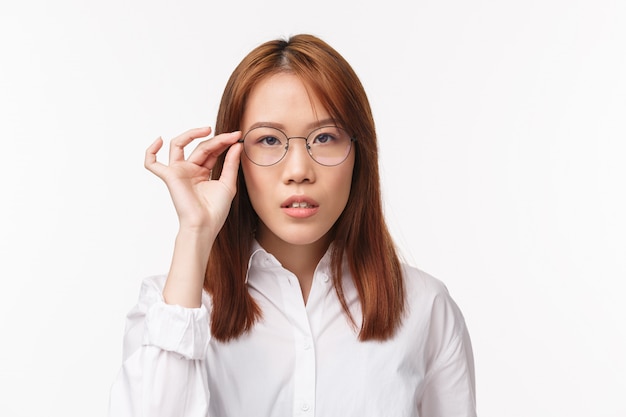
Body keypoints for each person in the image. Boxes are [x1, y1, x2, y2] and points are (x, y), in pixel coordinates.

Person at [109, 33, 476, 417]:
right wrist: (195, 234)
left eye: (324, 138)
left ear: (358, 154)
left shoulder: (426, 307)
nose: (299, 171)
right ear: (233, 157)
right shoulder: (168, 307)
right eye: (269, 139)